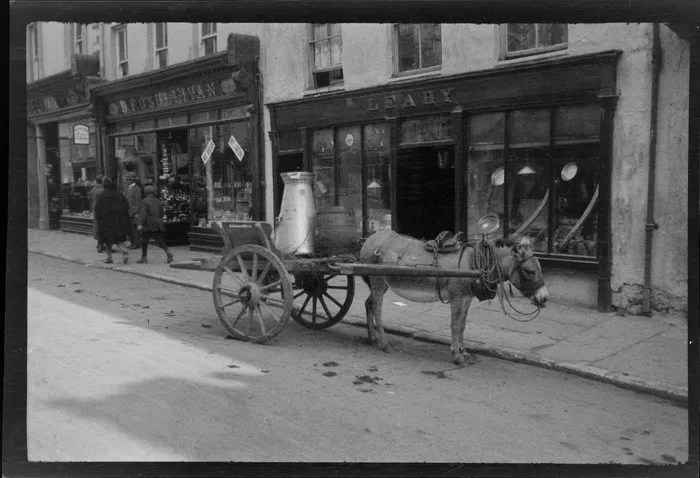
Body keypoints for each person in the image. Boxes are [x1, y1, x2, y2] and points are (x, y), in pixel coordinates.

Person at [95, 177, 131, 264]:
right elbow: (126, 206)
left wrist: (98, 219)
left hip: (106, 221)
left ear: (104, 184)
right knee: (119, 239)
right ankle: (123, 250)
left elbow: (98, 209)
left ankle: (109, 257)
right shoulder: (119, 194)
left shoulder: (102, 195)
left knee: (107, 241)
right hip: (119, 220)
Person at [136, 185, 174, 264]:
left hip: (148, 224)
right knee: (159, 240)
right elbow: (162, 213)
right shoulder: (158, 201)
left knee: (144, 240)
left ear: (146, 192)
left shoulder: (144, 201)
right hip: (158, 224)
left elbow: (143, 214)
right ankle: (167, 251)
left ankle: (144, 257)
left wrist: (140, 224)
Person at [124, 171, 143, 250]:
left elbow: (138, 202)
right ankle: (132, 242)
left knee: (135, 230)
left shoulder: (137, 189)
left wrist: (135, 212)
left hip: (134, 212)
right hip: (128, 212)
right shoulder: (128, 188)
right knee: (130, 229)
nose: (126, 180)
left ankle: (136, 244)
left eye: (127, 179)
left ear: (132, 180)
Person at [89, 174, 107, 252]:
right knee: (103, 227)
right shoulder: (103, 189)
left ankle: (99, 244)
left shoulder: (94, 189)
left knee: (97, 227)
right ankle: (101, 245)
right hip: (102, 211)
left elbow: (91, 199)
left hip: (95, 210)